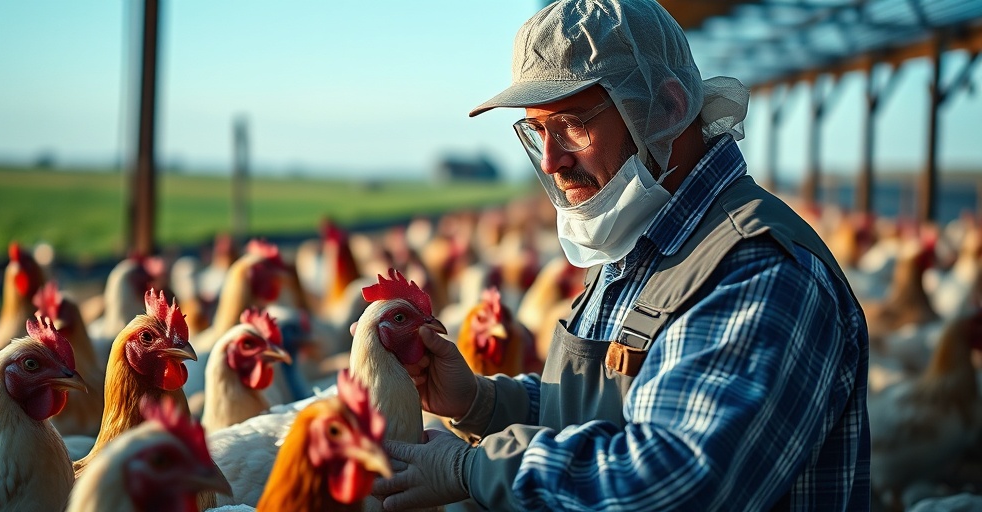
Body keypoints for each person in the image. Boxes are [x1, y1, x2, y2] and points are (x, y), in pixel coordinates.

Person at [372, 0, 871, 510]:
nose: (550, 160)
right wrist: (481, 402)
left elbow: (672, 481)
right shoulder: (642, 240)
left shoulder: (756, 271)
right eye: (537, 131)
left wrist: (473, 466)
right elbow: (608, 413)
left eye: (570, 123)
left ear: (668, 109)